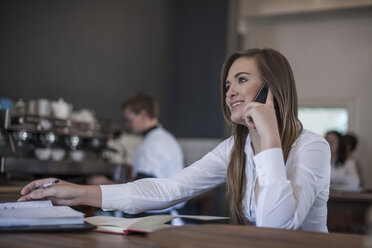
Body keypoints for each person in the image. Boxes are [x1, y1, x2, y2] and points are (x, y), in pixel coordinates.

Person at [18, 48, 331, 232]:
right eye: (227, 84)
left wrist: (270, 136)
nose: (230, 92)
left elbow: (275, 228)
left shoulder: (312, 147)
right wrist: (78, 193)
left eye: (242, 80)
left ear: (272, 88)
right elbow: (169, 188)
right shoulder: (235, 149)